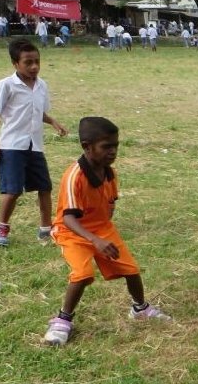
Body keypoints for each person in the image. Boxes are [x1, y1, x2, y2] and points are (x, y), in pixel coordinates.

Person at [43, 117, 171, 346]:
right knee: (82, 274)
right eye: (106, 146)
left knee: (131, 269)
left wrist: (104, 229)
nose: (113, 151)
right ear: (87, 146)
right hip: (72, 232)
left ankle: (140, 309)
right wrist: (95, 240)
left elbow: (110, 202)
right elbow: (68, 218)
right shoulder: (74, 176)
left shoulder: (109, 173)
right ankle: (62, 320)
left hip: (101, 229)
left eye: (116, 146)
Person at [0, 39, 68, 246]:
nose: (34, 67)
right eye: (28, 62)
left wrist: (53, 122)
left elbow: (38, 112)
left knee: (44, 187)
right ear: (15, 63)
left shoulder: (42, 86)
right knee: (13, 190)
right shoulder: (6, 86)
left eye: (37, 61)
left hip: (35, 145)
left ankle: (46, 229)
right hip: (12, 145)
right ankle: (2, 227)